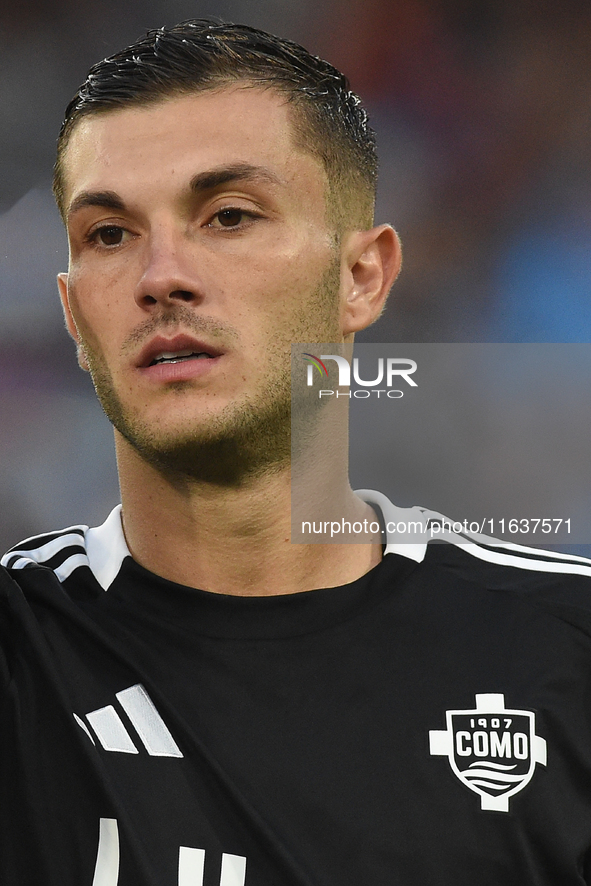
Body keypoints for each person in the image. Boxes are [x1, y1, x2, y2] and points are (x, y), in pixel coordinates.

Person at [2, 19, 591, 886]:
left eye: (228, 216)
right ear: (71, 313)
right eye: (109, 235)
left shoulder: (563, 650)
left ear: (362, 278)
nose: (161, 274)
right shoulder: (23, 654)